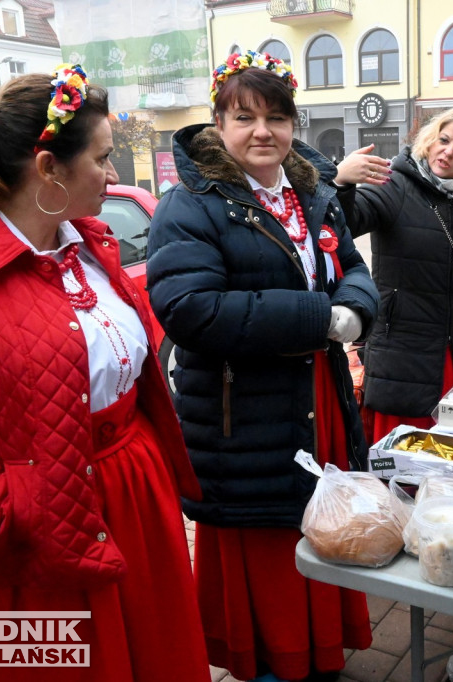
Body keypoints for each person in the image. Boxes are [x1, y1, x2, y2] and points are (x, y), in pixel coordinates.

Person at [0, 66, 210, 681]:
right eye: (103, 158)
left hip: (132, 498)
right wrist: (23, 507)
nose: (114, 176)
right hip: (26, 540)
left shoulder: (90, 244)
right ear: (48, 167)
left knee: (153, 656)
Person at [145, 51, 379, 682]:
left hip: (316, 395)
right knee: (271, 539)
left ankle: (320, 651)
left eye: (276, 117)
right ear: (218, 122)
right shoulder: (190, 204)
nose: (262, 132)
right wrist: (315, 320)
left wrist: (353, 311)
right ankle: (274, 662)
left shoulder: (310, 193)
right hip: (243, 412)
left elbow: (352, 269)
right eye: (244, 117)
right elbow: (188, 308)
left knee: (321, 522)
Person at [334, 107, 453, 441]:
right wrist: (342, 182)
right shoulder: (393, 185)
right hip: (403, 347)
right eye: (444, 141)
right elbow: (347, 223)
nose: (448, 152)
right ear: (429, 141)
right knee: (402, 450)